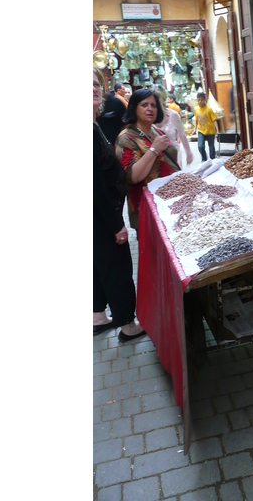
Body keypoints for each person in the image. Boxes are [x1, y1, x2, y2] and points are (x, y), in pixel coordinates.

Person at [93, 68, 146, 342]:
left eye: (95, 84)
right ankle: (128, 325)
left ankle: (98, 317)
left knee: (96, 264)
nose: (92, 89)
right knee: (118, 269)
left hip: (99, 216)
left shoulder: (93, 124)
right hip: (103, 217)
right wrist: (117, 224)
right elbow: (94, 186)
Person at [115, 88, 180, 231]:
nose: (150, 109)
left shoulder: (157, 131)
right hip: (147, 210)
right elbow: (132, 176)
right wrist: (154, 150)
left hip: (169, 203)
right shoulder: (126, 138)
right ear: (133, 108)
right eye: (144, 105)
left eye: (153, 105)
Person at [154, 86, 194, 168]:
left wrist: (188, 153)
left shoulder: (174, 115)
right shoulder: (148, 117)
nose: (155, 103)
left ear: (163, 99)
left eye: (158, 99)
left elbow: (182, 135)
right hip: (156, 159)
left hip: (174, 157)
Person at [97, 82, 128, 147]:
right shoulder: (117, 101)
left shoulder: (115, 102)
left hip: (115, 143)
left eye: (96, 84)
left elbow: (126, 124)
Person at [193, 91, 219, 161]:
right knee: (200, 146)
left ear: (205, 100)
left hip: (210, 131)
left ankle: (213, 160)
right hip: (201, 130)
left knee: (211, 147)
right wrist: (195, 129)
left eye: (201, 100)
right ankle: (204, 159)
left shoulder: (209, 109)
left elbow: (214, 120)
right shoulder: (196, 109)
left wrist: (217, 130)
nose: (200, 101)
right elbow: (196, 120)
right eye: (198, 100)